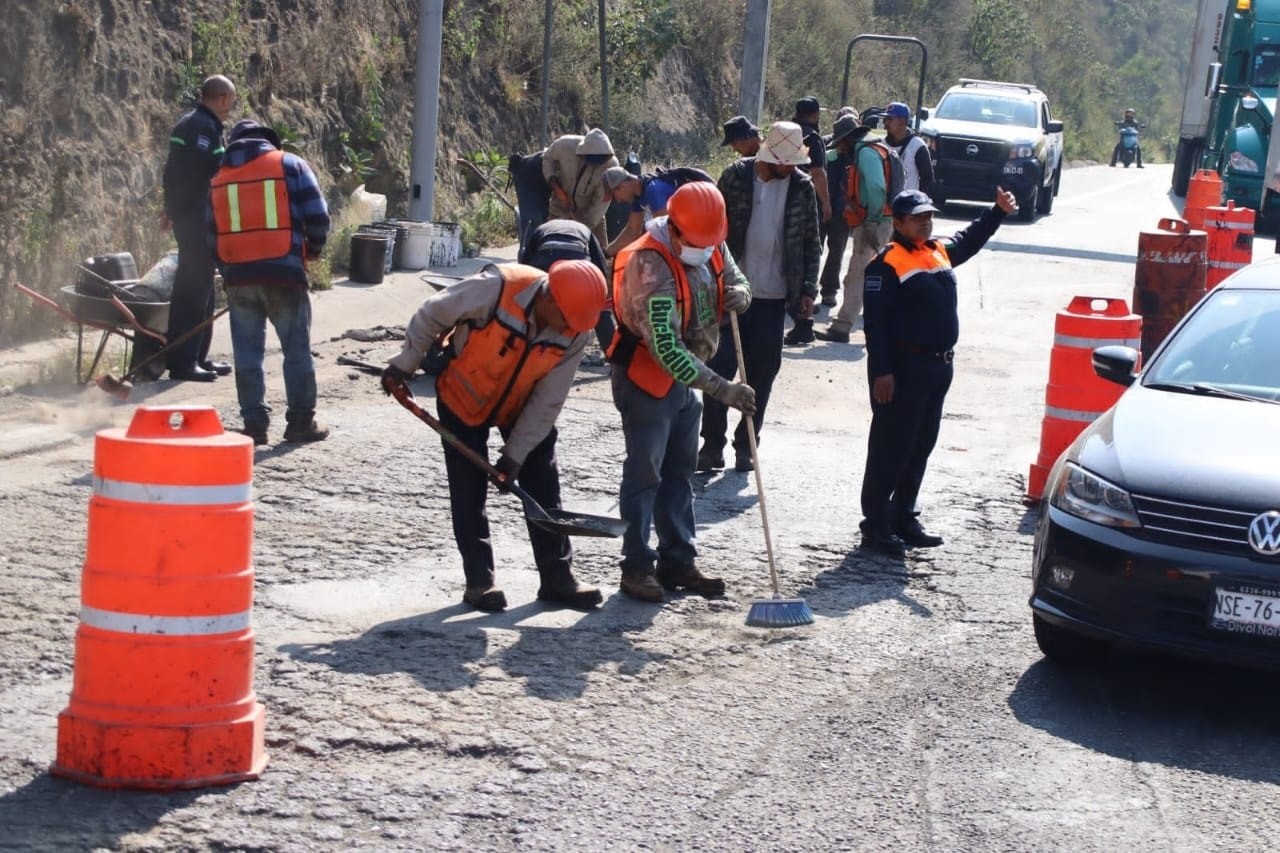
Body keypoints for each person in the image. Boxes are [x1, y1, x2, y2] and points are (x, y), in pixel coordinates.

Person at [381, 260, 610, 612]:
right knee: (468, 489)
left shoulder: (577, 329)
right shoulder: (498, 287)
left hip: (521, 404)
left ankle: (557, 577)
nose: (567, 329)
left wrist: (514, 455)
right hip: (462, 394)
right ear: (549, 297)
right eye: (565, 319)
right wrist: (406, 363)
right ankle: (479, 582)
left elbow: (548, 400)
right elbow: (432, 313)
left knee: (543, 482)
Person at [608, 183, 755, 602]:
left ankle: (678, 561)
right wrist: (722, 389)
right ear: (674, 228)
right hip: (648, 377)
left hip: (690, 376)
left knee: (679, 474)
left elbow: (733, 273)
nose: (707, 249)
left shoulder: (710, 237)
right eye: (697, 243)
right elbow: (666, 350)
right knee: (645, 474)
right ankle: (636, 567)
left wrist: (740, 292)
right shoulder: (649, 266)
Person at [858, 187, 1017, 556]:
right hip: (903, 368)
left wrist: (996, 212)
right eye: (917, 218)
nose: (926, 223)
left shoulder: (937, 251)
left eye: (929, 217)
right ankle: (877, 523)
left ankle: (903, 515)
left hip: (938, 365)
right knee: (891, 446)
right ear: (897, 222)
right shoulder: (886, 263)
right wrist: (882, 371)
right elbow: (876, 325)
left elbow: (969, 238)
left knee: (920, 444)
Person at [701, 121, 820, 472]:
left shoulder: (802, 187)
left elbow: (812, 242)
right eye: (787, 162)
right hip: (730, 293)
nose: (791, 168)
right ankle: (711, 445)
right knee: (718, 369)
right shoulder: (735, 178)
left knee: (762, 373)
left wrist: (809, 289)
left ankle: (746, 444)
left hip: (773, 297)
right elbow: (710, 230)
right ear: (770, 157)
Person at [208, 120, 331, 445]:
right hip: (283, 273)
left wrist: (228, 268)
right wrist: (313, 251)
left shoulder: (219, 179)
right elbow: (317, 216)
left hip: (239, 278)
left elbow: (210, 233)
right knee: (296, 350)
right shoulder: (289, 164)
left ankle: (254, 426)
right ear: (268, 142)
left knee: (247, 355)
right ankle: (300, 422)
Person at [162, 74, 237, 382]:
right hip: (195, 218)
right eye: (230, 101)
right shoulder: (201, 129)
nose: (231, 107)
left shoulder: (196, 124)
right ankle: (182, 362)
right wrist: (179, 211)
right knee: (192, 290)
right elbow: (193, 176)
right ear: (221, 99)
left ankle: (198, 357)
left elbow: (172, 172)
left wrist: (169, 208)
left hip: (193, 216)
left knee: (204, 286)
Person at [816, 114, 891, 344]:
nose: (838, 146)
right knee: (869, 274)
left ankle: (842, 327)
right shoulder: (867, 149)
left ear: (848, 139)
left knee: (858, 275)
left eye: (840, 142)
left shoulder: (866, 153)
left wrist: (872, 220)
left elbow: (877, 187)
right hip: (876, 219)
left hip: (875, 220)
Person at [518, 218, 612, 350]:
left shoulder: (540, 229)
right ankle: (612, 352)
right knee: (596, 302)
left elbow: (523, 269)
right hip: (575, 259)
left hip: (546, 259)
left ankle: (526, 346)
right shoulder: (585, 231)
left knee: (533, 301)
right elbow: (601, 271)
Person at [601, 166, 712, 258]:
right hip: (680, 242)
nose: (618, 201)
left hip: (697, 240)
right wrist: (605, 253)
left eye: (614, 197)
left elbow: (666, 233)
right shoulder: (638, 197)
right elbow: (632, 232)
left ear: (623, 186)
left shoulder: (654, 190)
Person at [542, 128, 619, 247]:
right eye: (592, 159)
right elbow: (547, 159)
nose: (595, 163)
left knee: (602, 254)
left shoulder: (611, 167)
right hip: (560, 207)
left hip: (590, 214)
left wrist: (583, 228)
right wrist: (556, 187)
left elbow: (600, 204)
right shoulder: (564, 146)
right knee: (551, 247)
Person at [819, 106, 862, 308]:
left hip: (843, 210)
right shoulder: (825, 144)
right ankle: (806, 289)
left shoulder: (861, 152)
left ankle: (829, 290)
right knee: (812, 249)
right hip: (820, 205)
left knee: (836, 251)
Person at [882, 101, 934, 194]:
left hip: (907, 205)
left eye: (890, 119)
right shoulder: (881, 144)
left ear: (902, 121)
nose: (885, 123)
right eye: (885, 119)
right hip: (883, 205)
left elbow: (927, 179)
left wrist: (916, 202)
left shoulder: (918, 146)